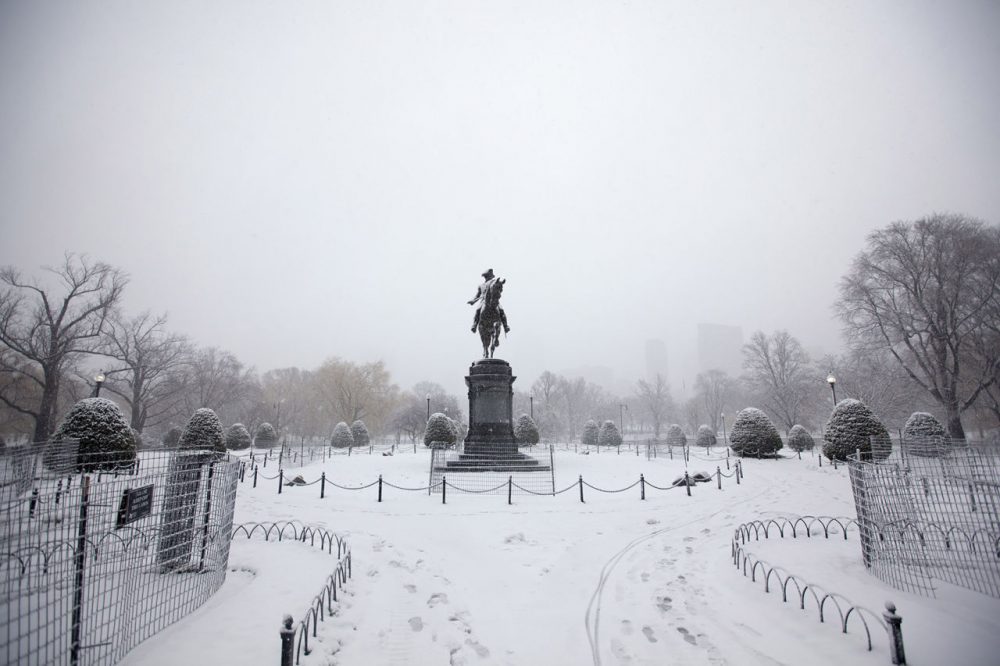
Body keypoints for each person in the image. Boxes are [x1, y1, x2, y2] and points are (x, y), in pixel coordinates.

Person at [468, 268, 510, 334]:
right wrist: (473, 301)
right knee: (478, 310)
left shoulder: (494, 282)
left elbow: (498, 286)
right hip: (483, 301)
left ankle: (506, 326)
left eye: (490, 275)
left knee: (501, 310)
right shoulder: (481, 286)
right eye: (487, 276)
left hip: (493, 300)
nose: (489, 277)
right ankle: (474, 325)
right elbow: (477, 296)